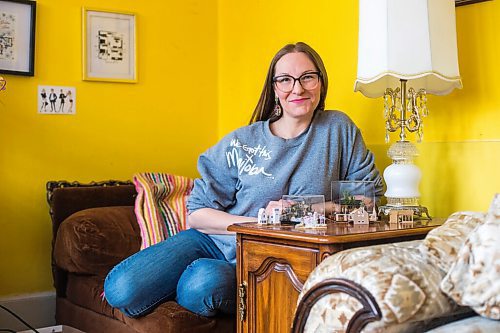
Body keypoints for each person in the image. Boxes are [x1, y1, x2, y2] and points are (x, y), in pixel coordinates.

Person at [103, 42, 383, 318]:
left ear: (321, 82)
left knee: (201, 283)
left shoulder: (338, 129)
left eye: (307, 77)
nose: (297, 88)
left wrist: (310, 209)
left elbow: (368, 201)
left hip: (264, 258)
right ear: (274, 89)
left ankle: (193, 281)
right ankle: (179, 281)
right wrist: (259, 225)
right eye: (285, 80)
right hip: (214, 240)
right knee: (120, 288)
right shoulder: (242, 141)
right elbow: (198, 215)